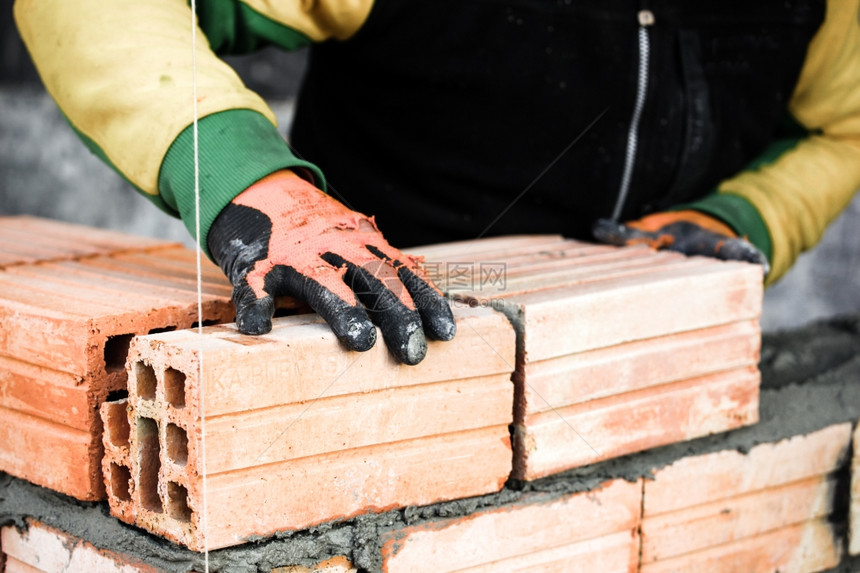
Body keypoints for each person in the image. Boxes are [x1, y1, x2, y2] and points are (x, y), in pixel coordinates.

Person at [14, 0, 860, 364]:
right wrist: (247, 178)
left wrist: (747, 212)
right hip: (369, 355)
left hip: (639, 371)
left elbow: (843, 126)